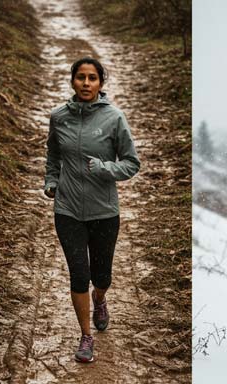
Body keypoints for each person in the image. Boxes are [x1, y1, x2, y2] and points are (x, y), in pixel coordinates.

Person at [44, 57, 140, 364]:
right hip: (68, 209)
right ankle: (85, 336)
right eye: (81, 77)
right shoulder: (59, 117)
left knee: (101, 276)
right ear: (72, 81)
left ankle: (100, 299)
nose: (86, 83)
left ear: (100, 84)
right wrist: (51, 180)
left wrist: (104, 169)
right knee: (78, 274)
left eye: (92, 78)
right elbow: (53, 154)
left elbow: (131, 163)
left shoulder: (114, 118)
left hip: (103, 210)